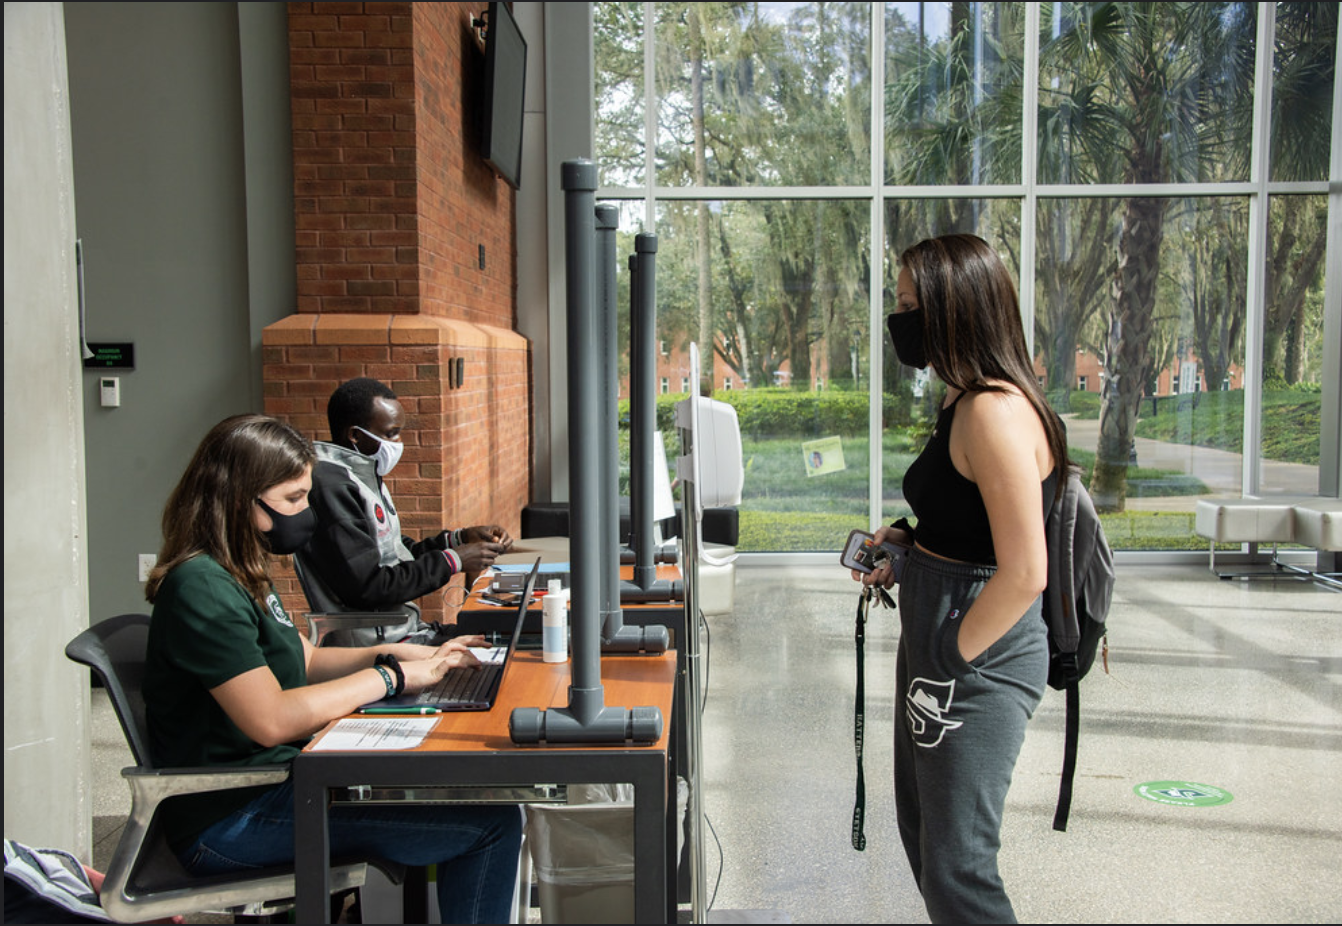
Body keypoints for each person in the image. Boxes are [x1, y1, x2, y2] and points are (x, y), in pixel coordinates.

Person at [143, 414, 522, 924]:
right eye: (294, 499)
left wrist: (397, 656)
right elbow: (272, 719)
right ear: (240, 500)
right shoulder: (202, 587)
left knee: (466, 799)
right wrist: (392, 679)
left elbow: (306, 658)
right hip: (233, 818)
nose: (306, 513)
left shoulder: (238, 570)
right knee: (491, 824)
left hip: (277, 786)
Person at [854, 234, 1068, 923]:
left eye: (911, 304)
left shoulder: (993, 411)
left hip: (976, 652)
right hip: (940, 631)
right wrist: (909, 546)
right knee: (927, 842)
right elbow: (969, 521)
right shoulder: (958, 398)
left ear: (954, 309)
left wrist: (952, 652)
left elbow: (1026, 569)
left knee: (959, 866)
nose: (900, 318)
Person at [297, 377, 513, 646]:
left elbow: (397, 552)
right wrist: (454, 561)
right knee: (499, 655)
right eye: (390, 433)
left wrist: (460, 539)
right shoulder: (331, 486)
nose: (398, 442)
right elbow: (370, 586)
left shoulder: (363, 474)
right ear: (354, 435)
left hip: (404, 630)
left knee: (504, 638)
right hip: (377, 646)